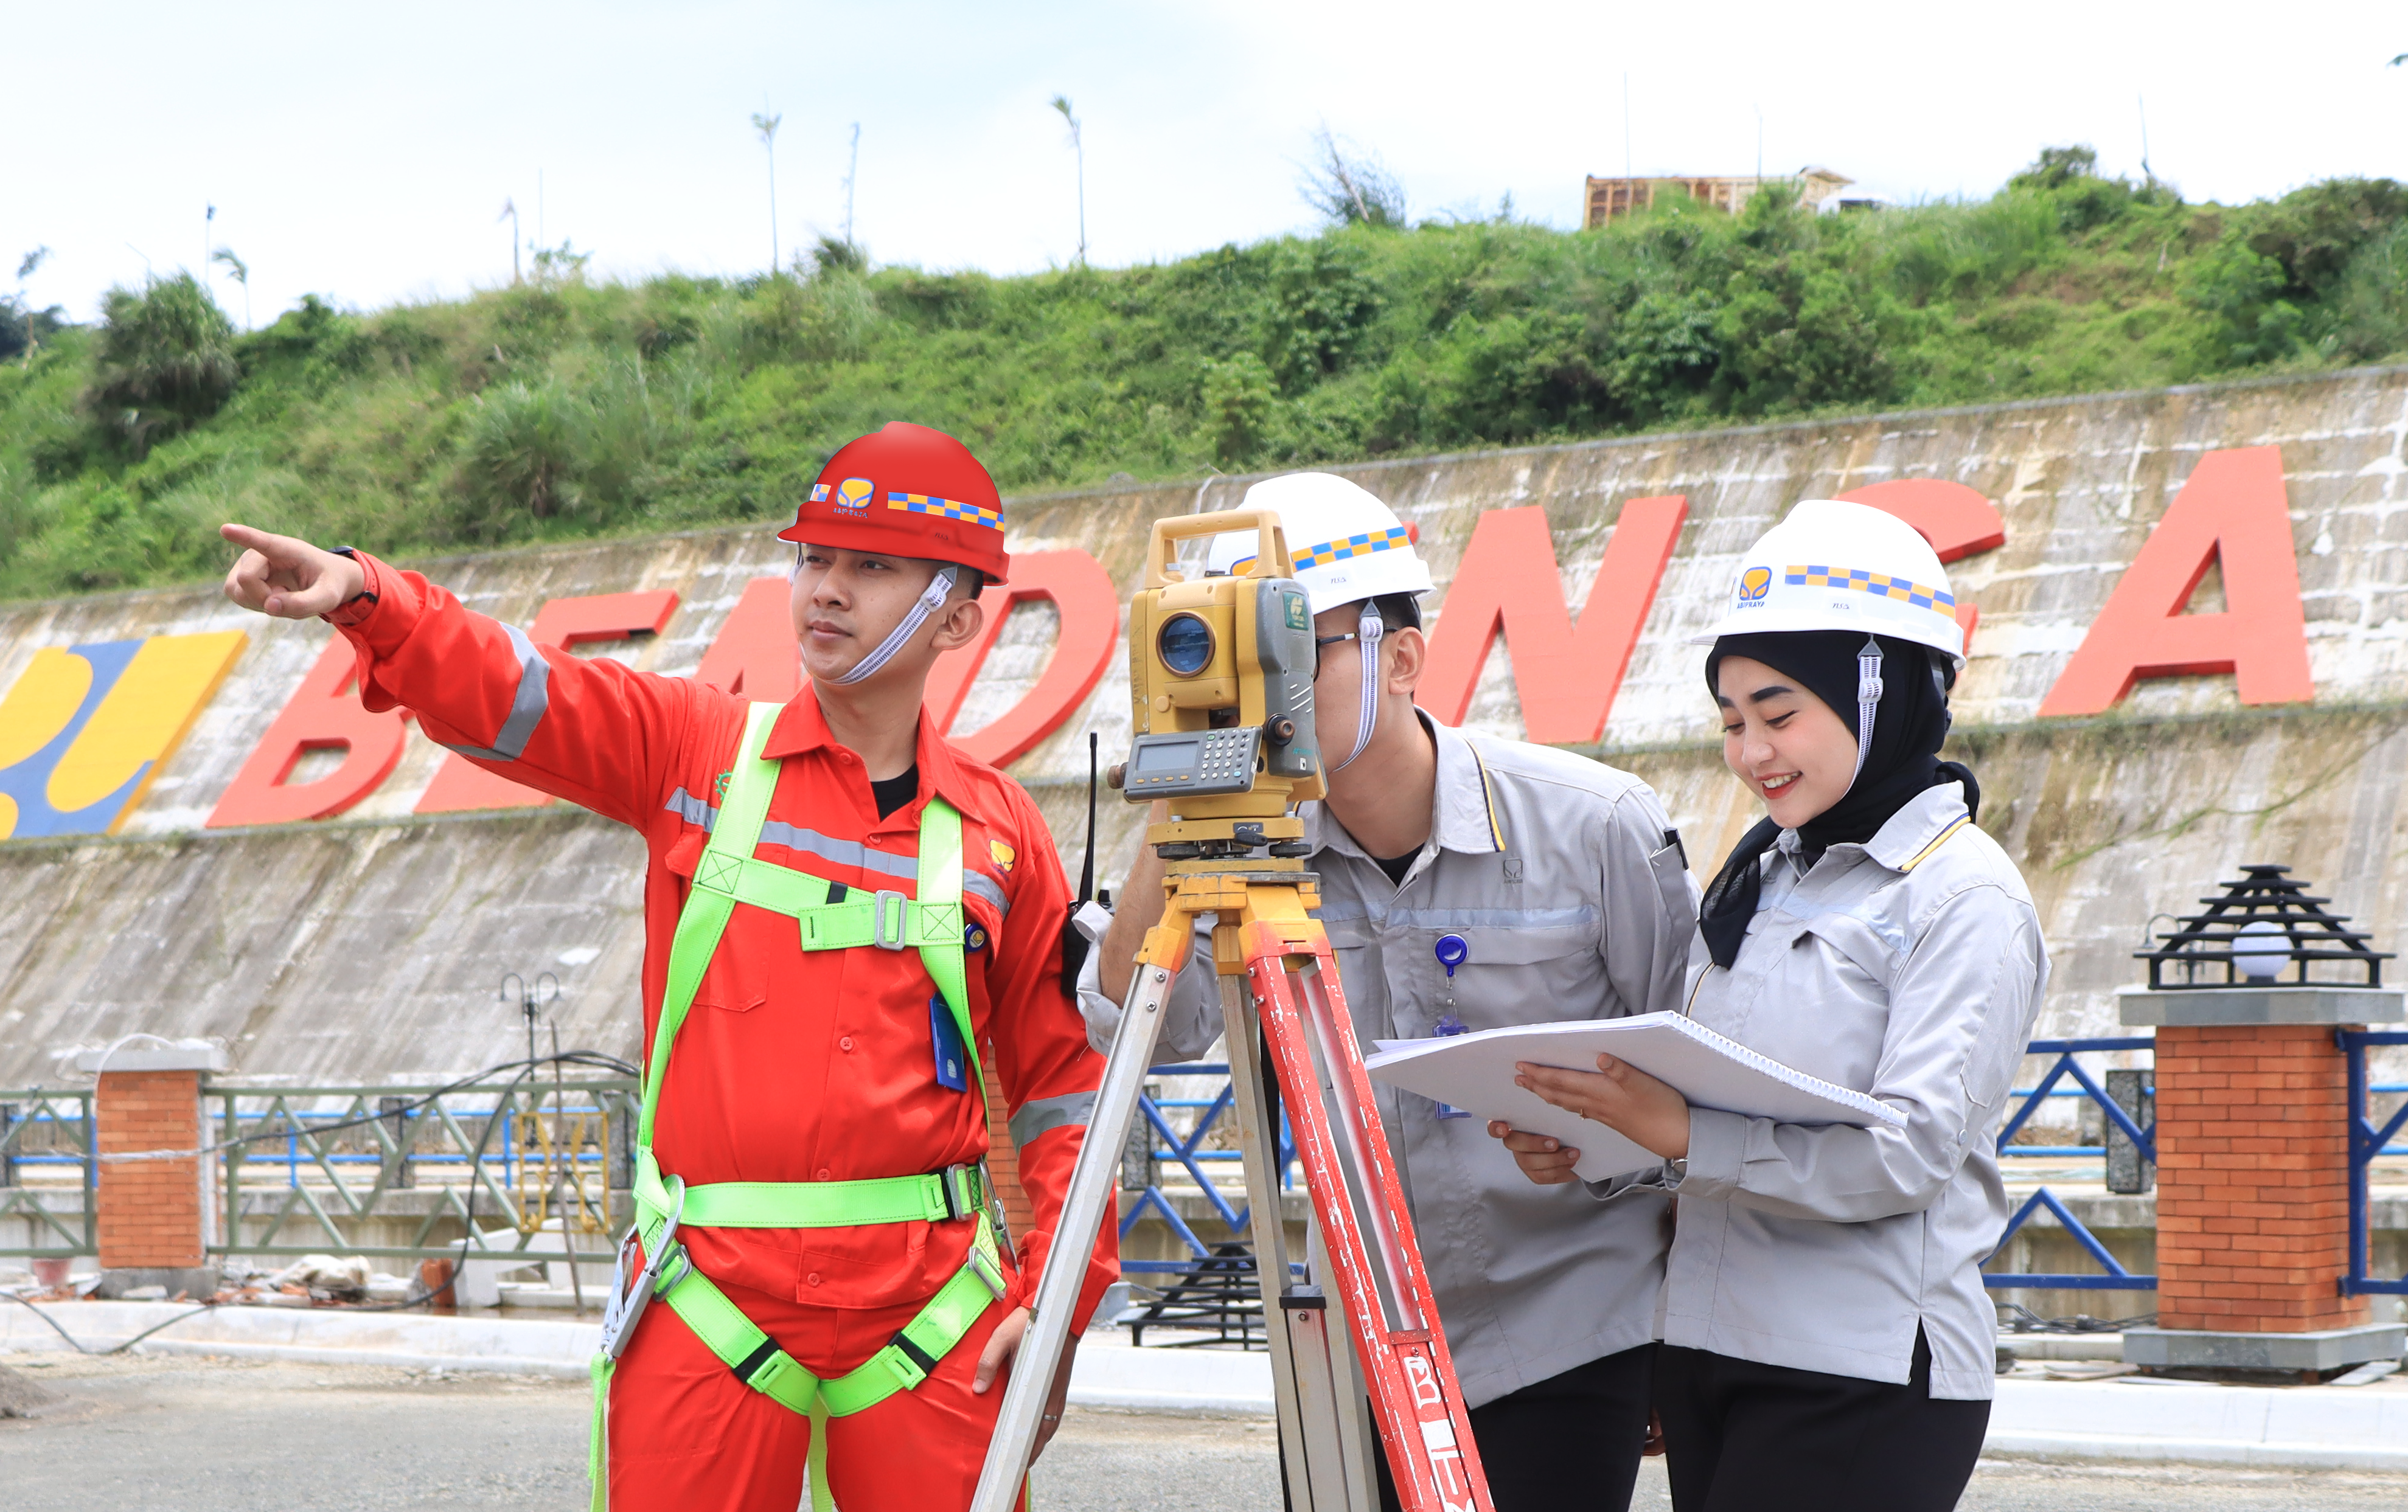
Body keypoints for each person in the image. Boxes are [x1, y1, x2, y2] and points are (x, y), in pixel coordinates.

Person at [218, 421, 1116, 1512]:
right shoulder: (696, 753)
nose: (826, 590)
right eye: (814, 558)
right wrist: (369, 597)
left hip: (930, 1313)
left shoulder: (1000, 832)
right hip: (709, 1299)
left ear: (959, 615)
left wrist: (1059, 1296)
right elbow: (521, 688)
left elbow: (1067, 1089)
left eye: (872, 567)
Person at [1082, 472, 1697, 1512]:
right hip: (1349, 1337)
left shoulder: (1593, 827)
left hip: (1568, 1324)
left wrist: (1686, 1341)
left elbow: (1696, 1070)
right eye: (1232, 656)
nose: (1257, 691)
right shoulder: (1244, 847)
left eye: (1289, 649)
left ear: (1400, 657)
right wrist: (1178, 791)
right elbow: (1144, 1022)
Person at [1495, 499, 2048, 1512]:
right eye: (1730, 721)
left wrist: (1682, 1134)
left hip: (1860, 1369)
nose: (1752, 750)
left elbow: (1907, 1155)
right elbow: (1713, 1115)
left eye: (1779, 712)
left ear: (1883, 693)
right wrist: (1605, 1146)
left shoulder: (1961, 897)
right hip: (1713, 1351)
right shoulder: (1765, 877)